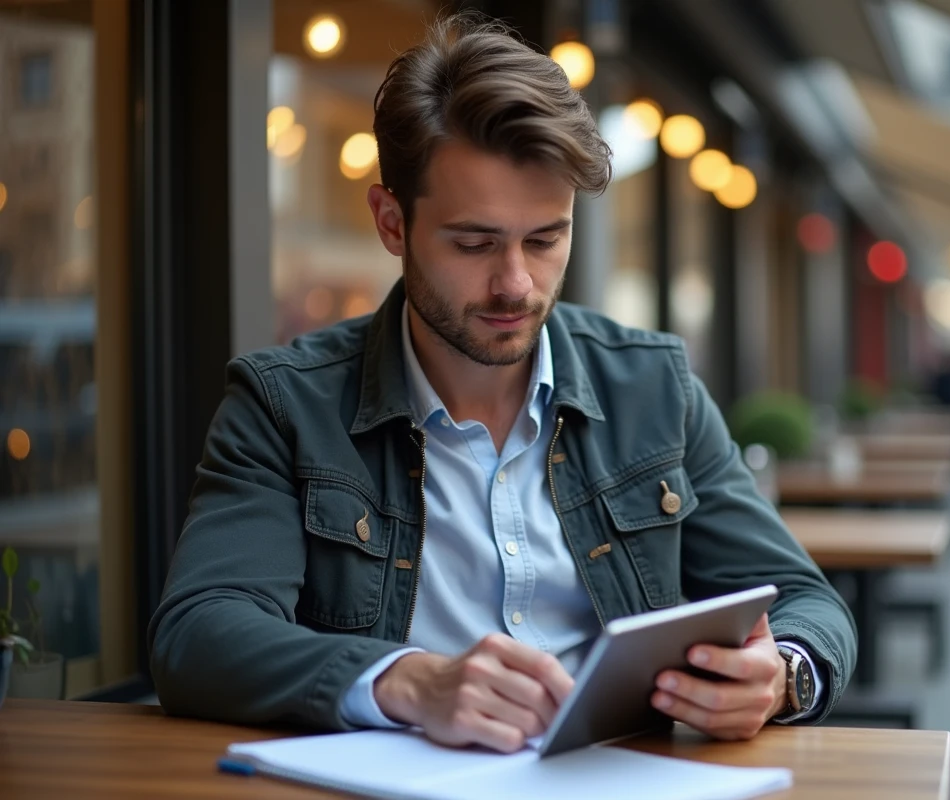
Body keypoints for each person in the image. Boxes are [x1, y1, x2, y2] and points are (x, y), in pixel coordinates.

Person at [148, 14, 856, 753]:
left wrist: (782, 673)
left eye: (546, 239)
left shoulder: (653, 387)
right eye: (474, 242)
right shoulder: (285, 405)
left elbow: (805, 601)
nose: (516, 283)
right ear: (391, 223)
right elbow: (199, 631)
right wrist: (406, 682)